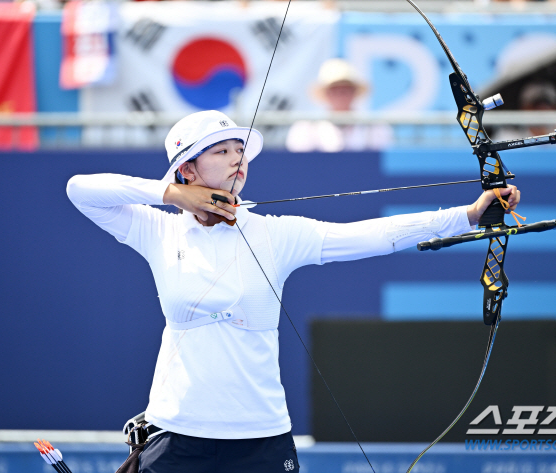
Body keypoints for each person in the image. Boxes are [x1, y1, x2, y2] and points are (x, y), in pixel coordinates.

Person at [66, 110, 520, 472]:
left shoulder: (277, 235)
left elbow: (374, 235)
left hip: (260, 438)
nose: (237, 159)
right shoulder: (157, 230)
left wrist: (467, 214)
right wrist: (173, 195)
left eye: (240, 150)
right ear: (187, 168)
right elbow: (79, 189)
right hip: (177, 435)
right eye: (221, 151)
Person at [285, 58, 393, 152]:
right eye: (335, 89)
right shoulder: (306, 128)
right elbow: (300, 164)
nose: (341, 94)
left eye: (346, 89)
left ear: (354, 92)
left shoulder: (375, 127)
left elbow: (379, 162)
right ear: (326, 94)